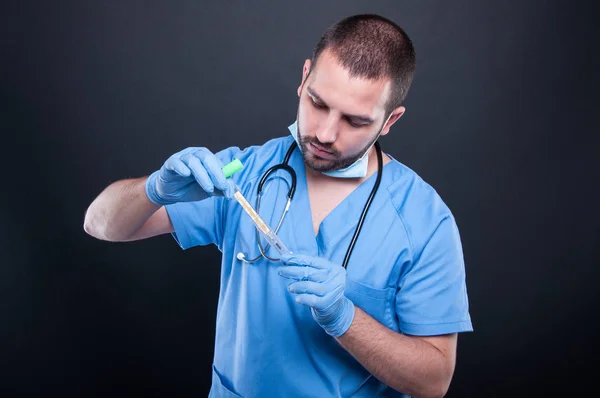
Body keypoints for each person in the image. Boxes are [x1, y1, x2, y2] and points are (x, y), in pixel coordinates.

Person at [84, 13, 473, 398]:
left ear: (390, 121)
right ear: (304, 78)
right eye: (318, 102)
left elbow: (434, 381)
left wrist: (345, 317)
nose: (324, 133)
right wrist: (154, 189)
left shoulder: (425, 221)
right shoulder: (245, 172)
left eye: (355, 121)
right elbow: (99, 224)